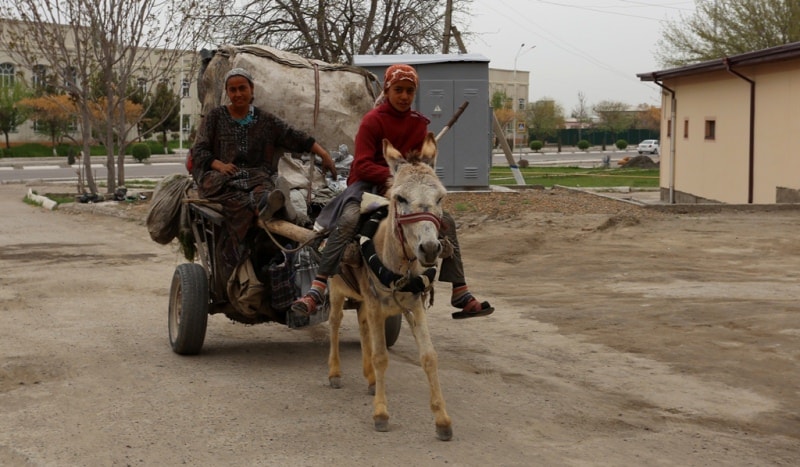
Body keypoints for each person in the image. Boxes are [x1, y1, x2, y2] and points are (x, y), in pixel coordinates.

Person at [292, 64, 494, 320]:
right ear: (387, 90)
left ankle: (460, 290)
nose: (404, 96)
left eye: (410, 91)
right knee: (349, 219)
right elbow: (362, 165)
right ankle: (318, 286)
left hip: (407, 190)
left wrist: (415, 177)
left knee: (447, 221)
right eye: (398, 90)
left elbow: (418, 163)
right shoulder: (372, 121)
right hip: (367, 186)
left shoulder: (419, 125)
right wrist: (396, 178)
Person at [191, 67, 337, 242]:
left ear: (251, 89)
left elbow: (295, 136)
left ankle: (269, 203)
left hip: (256, 176)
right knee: (230, 194)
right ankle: (260, 208)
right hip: (223, 178)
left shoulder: (266, 121)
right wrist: (219, 165)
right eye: (233, 90)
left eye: (242, 88)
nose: (238, 94)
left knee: (264, 189)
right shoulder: (215, 117)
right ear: (227, 92)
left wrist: (324, 154)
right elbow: (199, 150)